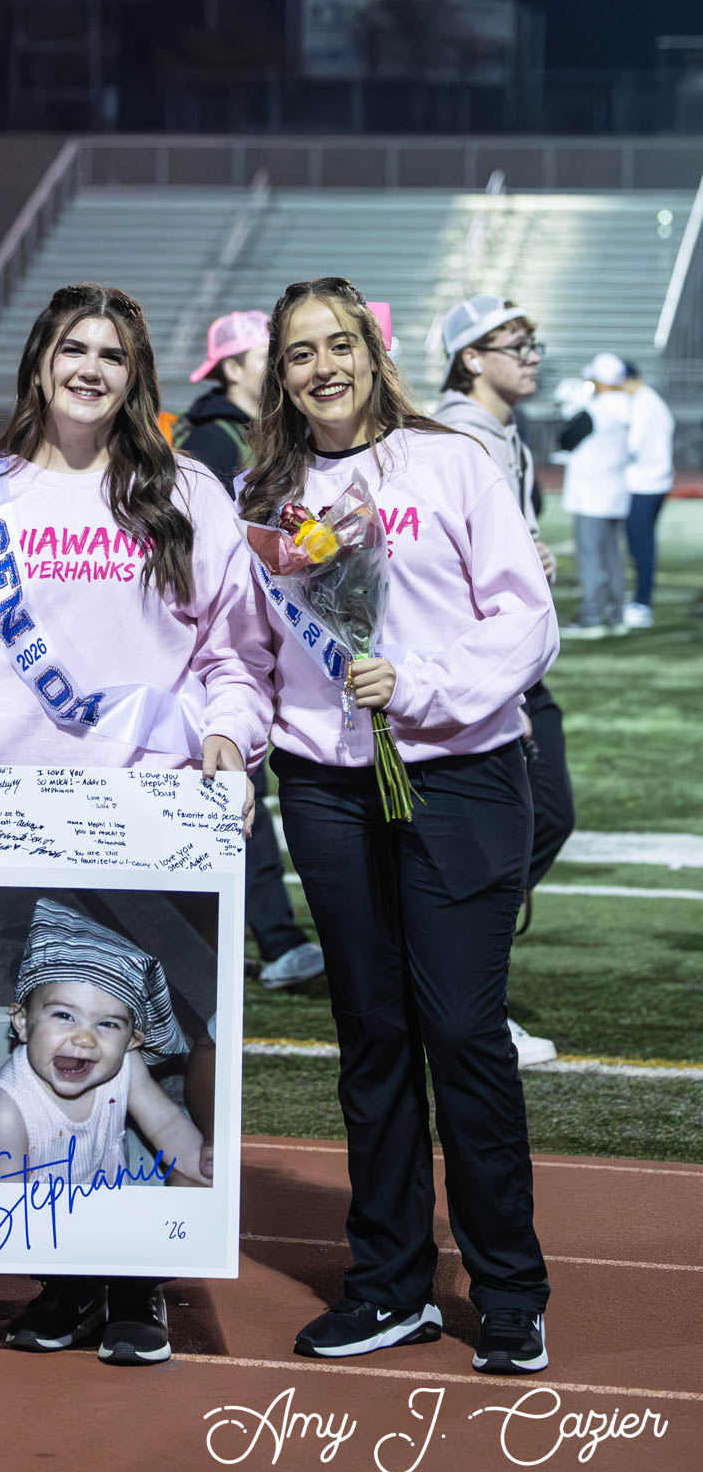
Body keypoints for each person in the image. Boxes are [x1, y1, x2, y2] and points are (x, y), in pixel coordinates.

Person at [0, 280, 272, 1366]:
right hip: (19, 823)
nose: (91, 369)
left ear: (135, 376)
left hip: (153, 820)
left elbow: (232, 654)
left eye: (113, 354)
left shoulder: (186, 493)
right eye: (74, 348)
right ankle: (64, 1280)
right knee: (59, 1061)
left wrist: (229, 740)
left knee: (142, 1057)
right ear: (40, 362)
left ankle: (136, 1283)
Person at [239, 275, 558, 1377]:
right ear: (280, 375)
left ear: (374, 355)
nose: (322, 367)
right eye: (299, 353)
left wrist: (417, 688)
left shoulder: (449, 461)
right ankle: (389, 1285)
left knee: (463, 1034)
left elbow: (525, 618)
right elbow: (251, 647)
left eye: (340, 345)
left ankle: (509, 1289)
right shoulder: (264, 492)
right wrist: (241, 738)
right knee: (371, 1039)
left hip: (461, 776)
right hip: (326, 788)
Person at [435, 294, 576, 1064]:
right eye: (516, 346)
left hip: (510, 662)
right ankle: (467, 992)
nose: (532, 358)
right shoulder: (459, 435)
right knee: (519, 828)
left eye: (532, 344)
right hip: (486, 669)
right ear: (471, 358)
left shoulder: (498, 431)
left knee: (539, 821)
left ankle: (459, 974)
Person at [174, 311, 324, 993]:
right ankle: (274, 938)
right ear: (234, 366)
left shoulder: (257, 429)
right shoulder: (211, 439)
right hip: (227, 638)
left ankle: (231, 935)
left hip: (265, 631)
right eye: (271, 354)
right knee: (239, 790)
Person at [0, 898, 208, 1210]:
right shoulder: (6, 1107)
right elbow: (7, 1209)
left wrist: (203, 1168)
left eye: (107, 1024)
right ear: (22, 1023)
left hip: (87, 1191)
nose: (84, 1038)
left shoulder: (127, 1065)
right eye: (64, 1015)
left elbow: (166, 1124)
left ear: (131, 1042)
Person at [558, 352, 632, 638]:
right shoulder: (630, 406)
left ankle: (592, 616)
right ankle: (616, 614)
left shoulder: (595, 410)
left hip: (591, 495)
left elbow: (566, 440)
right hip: (617, 491)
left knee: (590, 557)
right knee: (613, 557)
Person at [621, 360, 675, 627]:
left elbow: (633, 444)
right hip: (657, 482)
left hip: (644, 484)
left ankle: (642, 604)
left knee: (640, 547)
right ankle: (641, 601)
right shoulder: (653, 401)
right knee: (644, 545)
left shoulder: (642, 404)